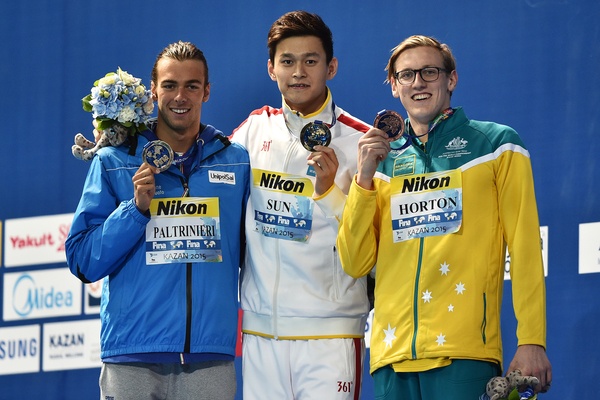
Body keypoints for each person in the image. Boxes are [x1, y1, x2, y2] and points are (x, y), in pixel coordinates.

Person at [336, 35, 552, 399]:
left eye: (429, 72)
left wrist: (532, 339)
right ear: (394, 86)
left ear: (451, 79)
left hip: (464, 353)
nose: (417, 82)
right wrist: (364, 179)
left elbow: (526, 247)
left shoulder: (497, 145)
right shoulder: (383, 163)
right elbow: (355, 262)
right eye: (406, 75)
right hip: (391, 357)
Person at [65, 41, 250, 400]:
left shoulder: (235, 161)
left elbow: (256, 249)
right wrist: (134, 210)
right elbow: (83, 260)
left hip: (209, 356)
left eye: (191, 86)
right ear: (153, 91)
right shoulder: (114, 161)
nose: (180, 96)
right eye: (169, 85)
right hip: (132, 354)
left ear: (207, 91)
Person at [230, 11, 371, 400]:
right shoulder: (251, 131)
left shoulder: (361, 143)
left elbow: (371, 243)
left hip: (330, 333)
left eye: (311, 60)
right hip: (261, 335)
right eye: (287, 61)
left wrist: (330, 192)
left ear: (332, 67)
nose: (298, 72)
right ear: (271, 68)